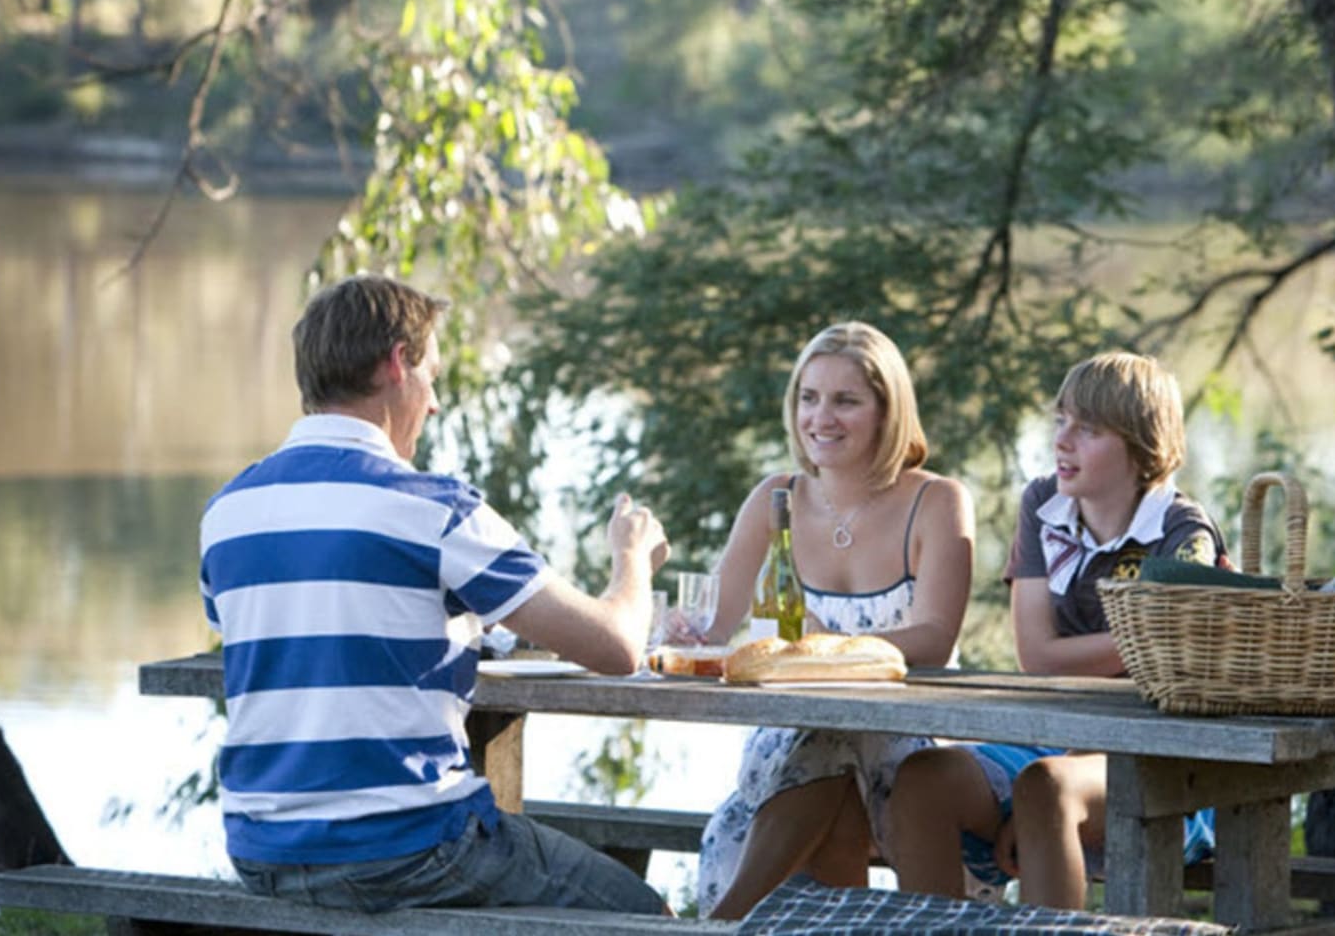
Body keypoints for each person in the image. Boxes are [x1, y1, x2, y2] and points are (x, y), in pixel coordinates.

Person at [199, 274, 669, 915]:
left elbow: (311, 624)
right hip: (405, 847)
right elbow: (616, 646)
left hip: (262, 851)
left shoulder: (228, 512)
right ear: (398, 363)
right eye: (433, 376)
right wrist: (631, 556)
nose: (437, 403)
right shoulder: (433, 508)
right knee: (645, 916)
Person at [889, 350, 1227, 908]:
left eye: (1088, 429)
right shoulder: (1044, 503)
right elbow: (1037, 655)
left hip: (1169, 760)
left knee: (1046, 789)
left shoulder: (1182, 531)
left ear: (1142, 447)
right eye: (1061, 420)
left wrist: (1144, 645)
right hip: (1055, 739)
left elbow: (1168, 661)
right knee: (924, 778)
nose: (1062, 441)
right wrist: (1138, 638)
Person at [696, 321, 975, 920]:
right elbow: (713, 627)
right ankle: (734, 923)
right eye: (809, 397)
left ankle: (724, 925)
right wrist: (678, 627)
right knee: (819, 749)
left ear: (887, 412)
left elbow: (933, 639)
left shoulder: (937, 501)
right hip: (796, 736)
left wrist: (822, 649)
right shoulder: (775, 498)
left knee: (828, 753)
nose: (821, 418)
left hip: (906, 742)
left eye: (845, 400)